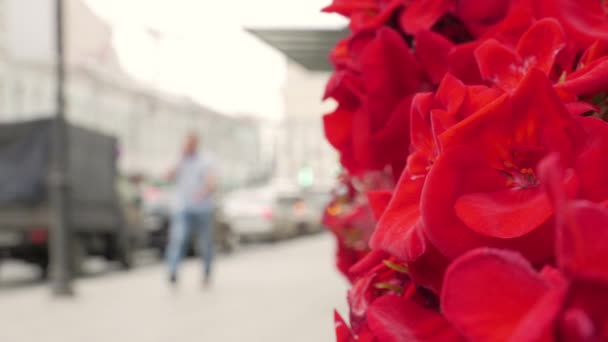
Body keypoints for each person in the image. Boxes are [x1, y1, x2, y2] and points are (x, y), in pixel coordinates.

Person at [166, 133, 216, 287]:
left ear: (196, 144)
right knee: (179, 239)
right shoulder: (179, 159)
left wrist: (202, 194)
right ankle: (173, 271)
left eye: (190, 144)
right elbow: (168, 176)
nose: (188, 147)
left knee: (205, 243)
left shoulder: (205, 160)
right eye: (186, 144)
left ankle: (206, 273)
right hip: (182, 207)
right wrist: (179, 161)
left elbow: (211, 182)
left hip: (203, 208)